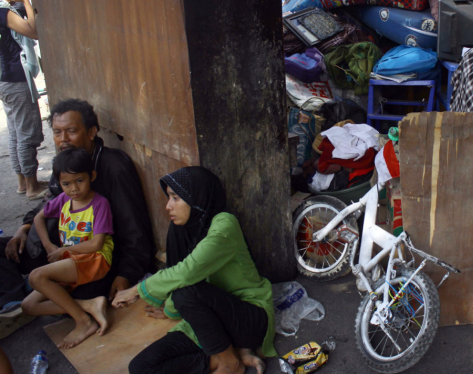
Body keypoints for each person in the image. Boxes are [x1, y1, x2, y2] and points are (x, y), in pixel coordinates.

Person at [112, 167, 276, 374]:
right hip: (212, 320)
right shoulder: (180, 230)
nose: (168, 206)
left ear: (197, 198)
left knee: (185, 293)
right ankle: (227, 356)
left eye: (176, 198)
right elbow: (177, 274)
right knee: (141, 367)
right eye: (168, 197)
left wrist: (137, 289)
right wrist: (172, 310)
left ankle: (230, 365)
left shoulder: (225, 225)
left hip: (249, 318)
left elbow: (187, 273)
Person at [0, 99, 153, 317]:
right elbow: (50, 202)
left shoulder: (113, 167)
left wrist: (126, 275)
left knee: (84, 293)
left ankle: (31, 292)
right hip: (54, 249)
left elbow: (134, 229)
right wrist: (23, 228)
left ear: (91, 132)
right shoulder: (66, 160)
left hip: (88, 260)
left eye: (71, 131)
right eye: (57, 132)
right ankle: (13, 301)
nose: (63, 139)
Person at [22, 148, 114, 348]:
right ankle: (89, 305)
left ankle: (83, 321)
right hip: (71, 260)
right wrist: (48, 245)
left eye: (79, 181)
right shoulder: (64, 200)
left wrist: (63, 251)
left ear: (92, 176)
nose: (74, 189)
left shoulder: (99, 204)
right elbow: (39, 217)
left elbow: (96, 244)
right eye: (66, 184)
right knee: (28, 306)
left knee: (36, 277)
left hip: (96, 258)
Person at [0, 0, 46, 199]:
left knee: (15, 132)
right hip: (15, 78)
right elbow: (34, 31)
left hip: (4, 79)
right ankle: (32, 186)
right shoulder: (3, 11)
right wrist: (27, 2)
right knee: (27, 132)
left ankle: (22, 182)